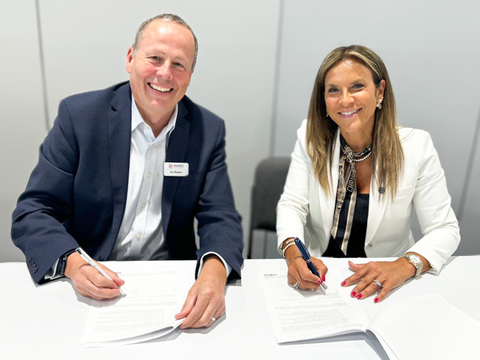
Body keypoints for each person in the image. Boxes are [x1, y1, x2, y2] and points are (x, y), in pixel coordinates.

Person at [11, 14, 243, 329]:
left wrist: (214, 274)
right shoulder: (79, 118)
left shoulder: (207, 129)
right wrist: (74, 265)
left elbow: (221, 216)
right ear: (131, 59)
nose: (165, 73)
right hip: (91, 278)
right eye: (155, 58)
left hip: (171, 285)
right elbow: (33, 211)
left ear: (190, 75)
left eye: (179, 64)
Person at [276, 45, 460, 303]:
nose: (345, 100)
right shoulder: (310, 138)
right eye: (333, 90)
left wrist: (404, 265)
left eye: (357, 86)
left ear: (380, 91)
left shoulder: (416, 146)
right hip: (323, 279)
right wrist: (294, 253)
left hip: (387, 281)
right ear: (323, 99)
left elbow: (445, 229)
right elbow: (292, 205)